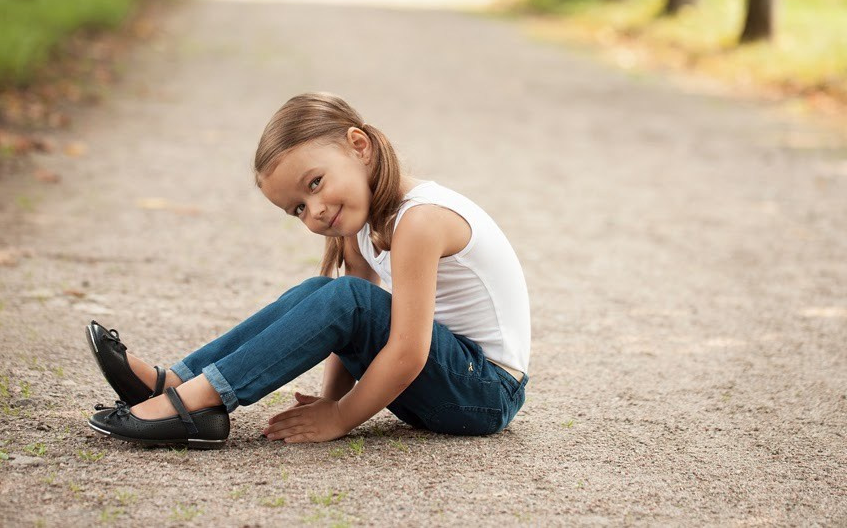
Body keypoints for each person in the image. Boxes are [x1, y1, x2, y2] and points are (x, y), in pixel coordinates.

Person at [87, 92, 531, 449]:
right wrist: (330, 398)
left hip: (485, 393)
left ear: (360, 147)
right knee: (323, 289)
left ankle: (197, 404)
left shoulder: (420, 220)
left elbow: (408, 352)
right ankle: (178, 381)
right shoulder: (359, 221)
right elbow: (349, 329)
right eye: (298, 207)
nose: (314, 210)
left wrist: (340, 416)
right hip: (444, 386)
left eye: (315, 183)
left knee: (346, 297)